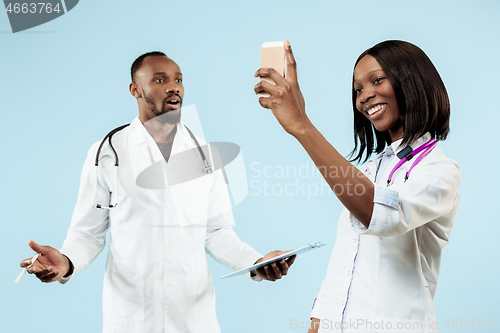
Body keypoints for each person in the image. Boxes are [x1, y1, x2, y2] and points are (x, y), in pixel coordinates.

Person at [20, 51, 296, 333]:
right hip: (131, 320)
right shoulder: (107, 153)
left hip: (193, 320)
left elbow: (217, 233)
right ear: (135, 90)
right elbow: (87, 234)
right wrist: (65, 263)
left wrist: (256, 261)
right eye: (160, 79)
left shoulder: (205, 156)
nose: (174, 86)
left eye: (178, 79)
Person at [254, 40, 460, 333]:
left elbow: (379, 214)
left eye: (377, 80)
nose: (365, 96)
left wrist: (301, 125)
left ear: (412, 80)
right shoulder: (370, 169)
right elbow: (346, 258)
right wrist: (318, 321)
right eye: (358, 90)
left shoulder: (439, 171)